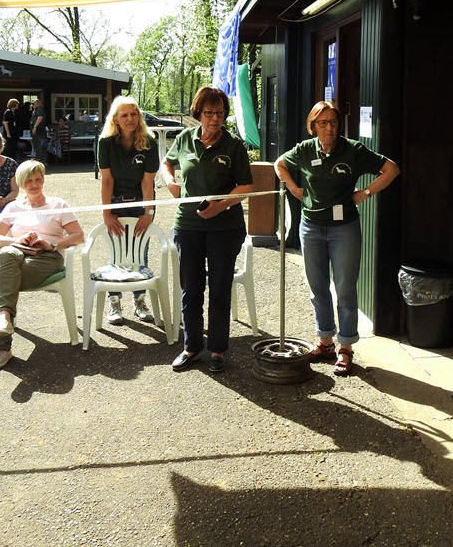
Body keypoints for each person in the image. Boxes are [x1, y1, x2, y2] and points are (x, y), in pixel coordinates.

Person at [274, 101, 400, 376]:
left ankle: (346, 347)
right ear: (313, 126)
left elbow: (391, 169)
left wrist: (365, 193)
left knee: (344, 289)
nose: (329, 128)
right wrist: (294, 189)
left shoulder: (353, 150)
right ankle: (325, 342)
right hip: (311, 227)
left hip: (344, 229)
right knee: (317, 287)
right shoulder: (305, 150)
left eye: (333, 122)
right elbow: (279, 164)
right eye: (323, 123)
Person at [161, 86, 254, 373]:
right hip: (188, 226)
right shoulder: (185, 138)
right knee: (190, 288)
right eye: (209, 113)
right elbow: (166, 162)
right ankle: (191, 348)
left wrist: (220, 206)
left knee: (220, 289)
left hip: (225, 227)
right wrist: (170, 182)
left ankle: (217, 350)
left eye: (220, 113)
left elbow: (246, 186)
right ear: (198, 113)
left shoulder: (234, 145)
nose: (215, 118)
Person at [0, 160, 84, 371]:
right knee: (6, 254)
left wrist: (52, 244)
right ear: (21, 183)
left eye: (38, 179)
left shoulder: (58, 205)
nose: (34, 184)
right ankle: (4, 320)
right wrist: (16, 241)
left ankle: (1, 346)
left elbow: (78, 236)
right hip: (16, 256)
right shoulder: (13, 207)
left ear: (44, 180)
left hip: (47, 257)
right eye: (29, 181)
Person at [97, 95, 158, 325]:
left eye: (134, 114)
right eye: (124, 115)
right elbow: (106, 180)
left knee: (139, 252)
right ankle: (114, 302)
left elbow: (148, 182)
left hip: (141, 202)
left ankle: (139, 300)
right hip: (116, 202)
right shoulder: (105, 142)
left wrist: (148, 212)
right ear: (115, 119)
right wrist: (107, 212)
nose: (130, 118)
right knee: (118, 252)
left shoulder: (149, 141)